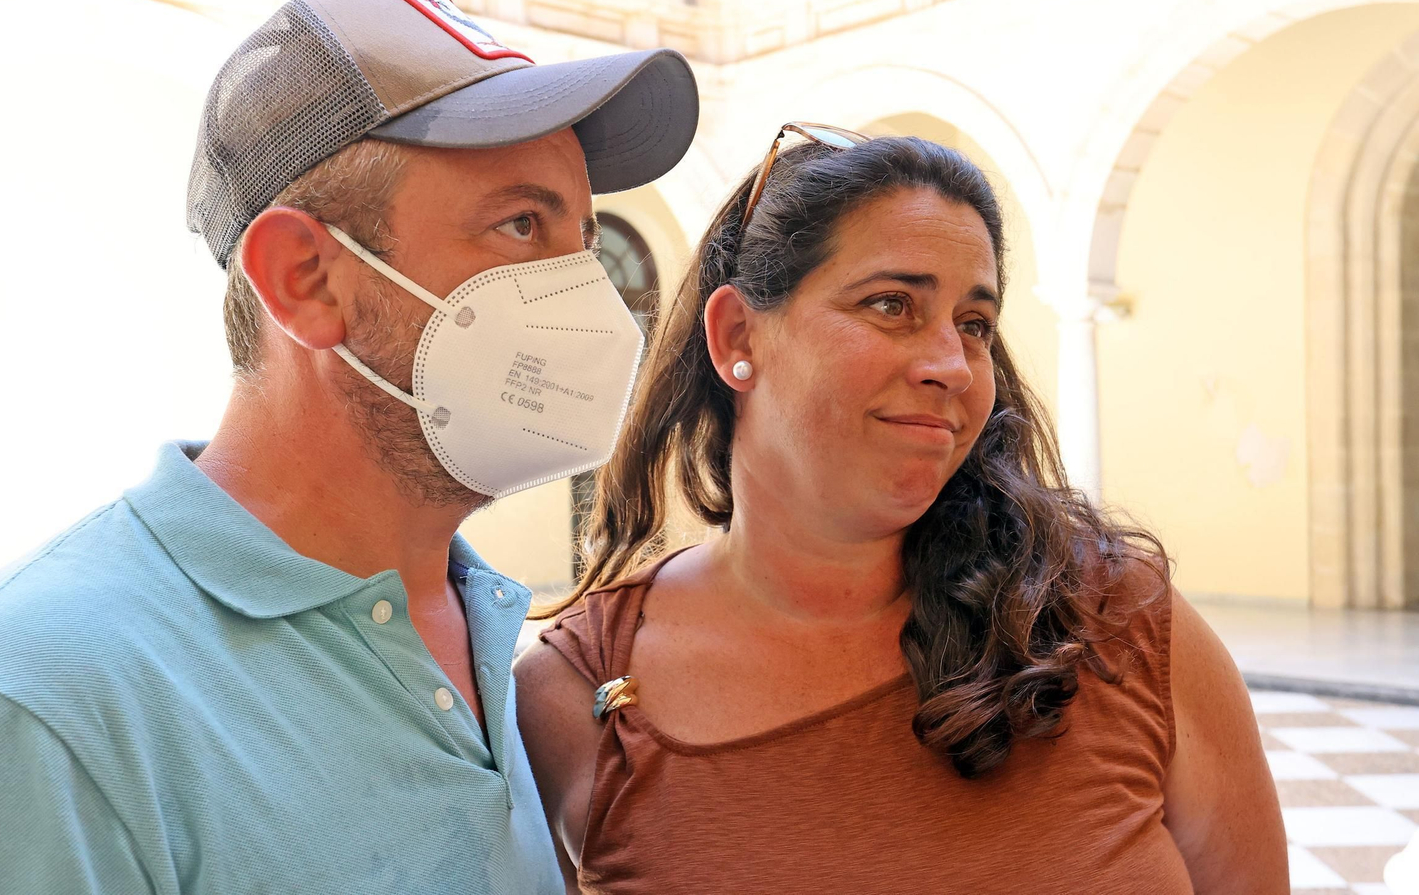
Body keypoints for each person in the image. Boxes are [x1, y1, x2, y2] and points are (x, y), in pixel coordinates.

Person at [0, 0, 698, 892]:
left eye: (583, 240)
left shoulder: (493, 636)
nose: (589, 294)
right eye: (520, 225)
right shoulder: (19, 714)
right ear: (303, 278)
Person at [514, 127, 1288, 894]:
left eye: (974, 324)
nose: (953, 365)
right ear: (737, 335)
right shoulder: (575, 695)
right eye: (892, 305)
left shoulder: (1119, 623)